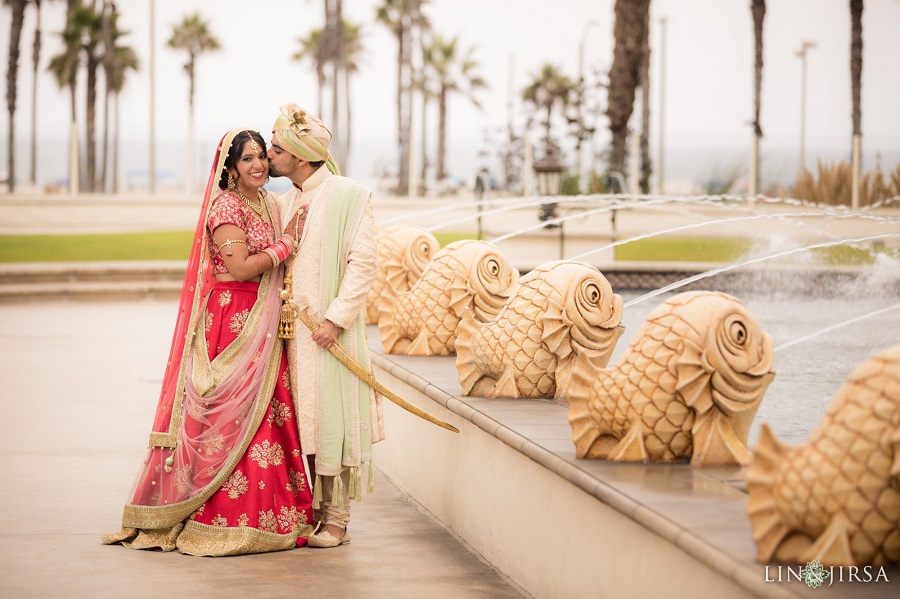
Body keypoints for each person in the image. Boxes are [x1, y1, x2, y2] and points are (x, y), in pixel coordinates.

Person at [102, 128, 313, 556]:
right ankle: (215, 512)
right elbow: (238, 269)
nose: (258, 165)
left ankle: (271, 513)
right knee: (226, 414)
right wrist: (286, 244)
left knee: (267, 409)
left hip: (264, 323)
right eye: (247, 159)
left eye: (261, 157)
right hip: (231, 323)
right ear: (230, 168)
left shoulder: (269, 202)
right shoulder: (227, 207)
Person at [268, 104, 384, 548]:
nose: (269, 157)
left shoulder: (349, 195)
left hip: (329, 333)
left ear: (298, 157)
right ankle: (310, 510)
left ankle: (337, 519)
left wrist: (336, 319)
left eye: (276, 150)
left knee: (335, 418)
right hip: (289, 333)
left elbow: (364, 262)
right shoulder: (285, 200)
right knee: (303, 422)